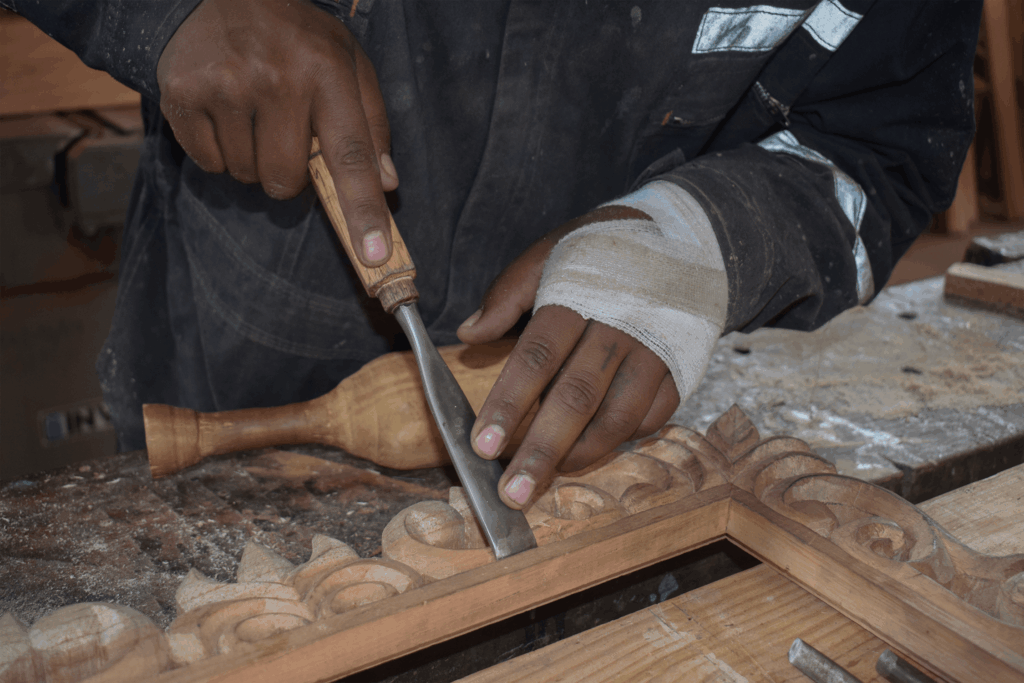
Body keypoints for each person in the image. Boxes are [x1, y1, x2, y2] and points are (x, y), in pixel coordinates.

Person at [7, 0, 980, 510]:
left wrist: (700, 235)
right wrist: (165, 6)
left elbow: (886, 145)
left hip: (610, 401)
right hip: (249, 322)